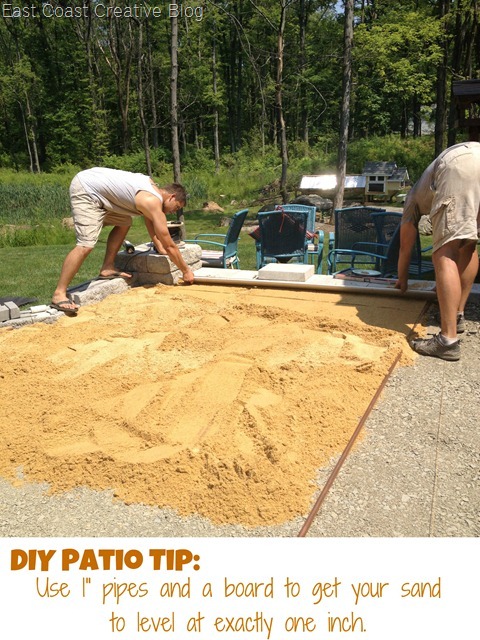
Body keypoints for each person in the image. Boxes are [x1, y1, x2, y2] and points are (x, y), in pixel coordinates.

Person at [51, 167, 195, 316]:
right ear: (171, 197)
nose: (173, 211)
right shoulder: (152, 201)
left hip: (98, 189)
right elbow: (170, 245)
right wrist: (186, 271)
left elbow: (149, 220)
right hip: (87, 190)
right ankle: (59, 293)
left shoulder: (151, 191)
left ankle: (107, 267)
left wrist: (159, 245)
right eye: (176, 207)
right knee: (85, 244)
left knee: (124, 222)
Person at [396, 141, 480, 361]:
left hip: (459, 164)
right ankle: (457, 314)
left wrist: (402, 279)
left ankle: (447, 341)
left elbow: (405, 245)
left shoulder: (412, 197)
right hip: (476, 154)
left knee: (444, 252)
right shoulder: (425, 184)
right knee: (468, 243)